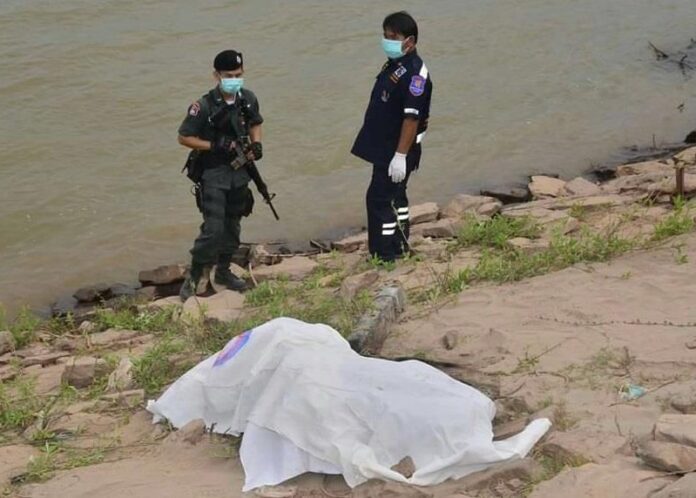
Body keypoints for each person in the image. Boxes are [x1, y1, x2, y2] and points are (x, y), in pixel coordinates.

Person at [177, 50, 264, 301]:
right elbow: (184, 137)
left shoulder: (247, 99)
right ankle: (194, 277)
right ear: (217, 75)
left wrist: (256, 145)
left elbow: (256, 123)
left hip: (239, 174)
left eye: (238, 75)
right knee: (213, 229)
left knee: (233, 226)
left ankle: (223, 271)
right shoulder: (203, 106)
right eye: (228, 75)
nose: (234, 79)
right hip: (213, 173)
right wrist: (214, 146)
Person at [351, 11, 433, 263]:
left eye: (392, 37)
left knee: (379, 200)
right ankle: (399, 244)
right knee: (396, 197)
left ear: (409, 41)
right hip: (386, 147)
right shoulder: (397, 65)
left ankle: (384, 254)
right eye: (385, 36)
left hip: (398, 150)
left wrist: (400, 156)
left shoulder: (416, 74)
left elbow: (412, 118)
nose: (387, 41)